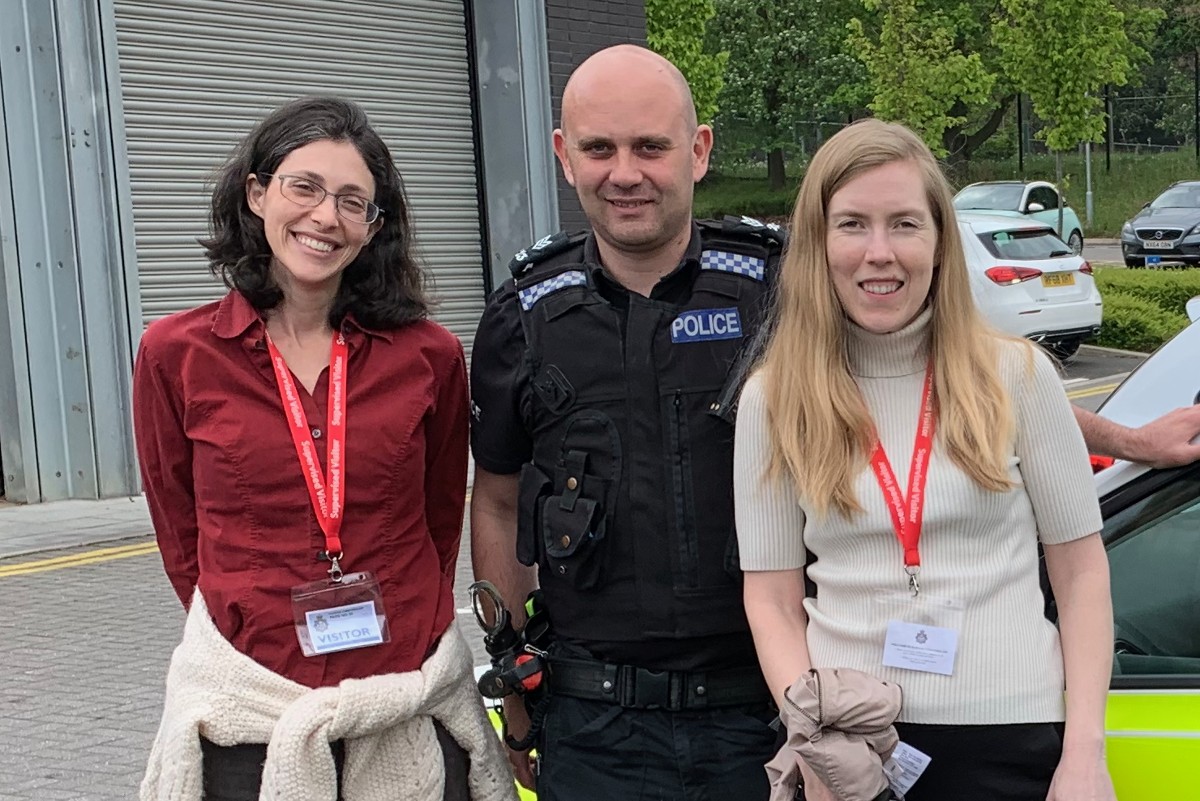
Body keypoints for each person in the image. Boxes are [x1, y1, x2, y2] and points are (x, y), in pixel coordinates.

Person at [133, 97, 515, 801]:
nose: (323, 216)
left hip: (406, 693)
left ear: (373, 229)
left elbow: (437, 522)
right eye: (302, 186)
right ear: (257, 193)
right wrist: (255, 606)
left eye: (351, 201)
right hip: (251, 708)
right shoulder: (175, 355)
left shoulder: (427, 357)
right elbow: (180, 535)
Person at [734, 118, 1115, 800]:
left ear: (940, 243)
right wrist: (812, 741)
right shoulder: (773, 398)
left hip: (1014, 738)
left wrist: (1085, 753)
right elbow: (771, 599)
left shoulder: (1018, 376)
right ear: (818, 245)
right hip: (853, 749)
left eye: (905, 223)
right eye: (852, 224)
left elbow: (1082, 572)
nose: (879, 252)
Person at [469, 45, 783, 800]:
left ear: (699, 150)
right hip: (592, 728)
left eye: (651, 146)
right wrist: (514, 691)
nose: (625, 173)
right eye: (598, 148)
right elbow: (498, 499)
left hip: (764, 719)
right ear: (563, 156)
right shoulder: (522, 317)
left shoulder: (780, 295)